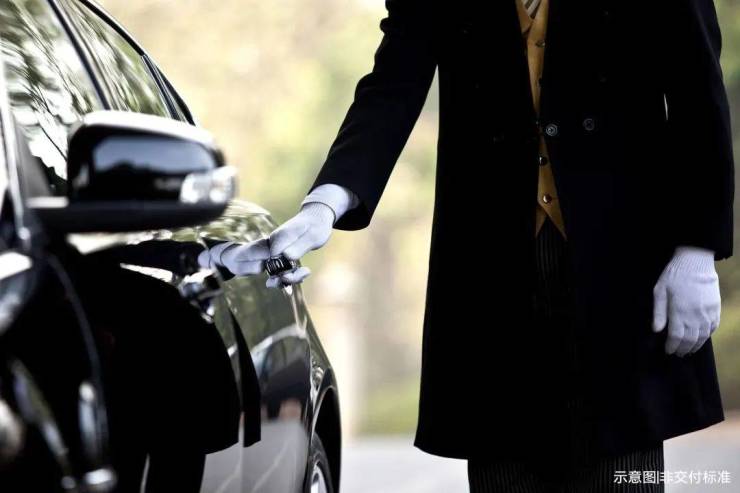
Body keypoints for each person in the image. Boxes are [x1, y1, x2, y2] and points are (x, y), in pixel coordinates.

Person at [201, 0, 735, 490]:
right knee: (503, 468)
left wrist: (696, 252)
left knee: (620, 472)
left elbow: (698, 93)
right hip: (488, 265)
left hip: (621, 261)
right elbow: (393, 84)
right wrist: (325, 205)